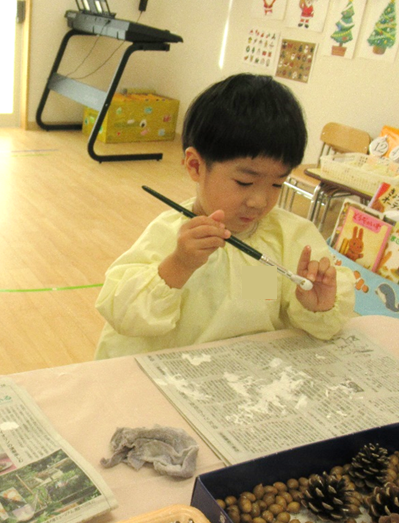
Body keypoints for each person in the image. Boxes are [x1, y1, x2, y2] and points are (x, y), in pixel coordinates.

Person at [94, 74, 354, 360]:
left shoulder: (290, 238)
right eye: (244, 182)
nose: (260, 201)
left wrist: (316, 307)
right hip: (174, 375)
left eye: (277, 184)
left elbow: (317, 324)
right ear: (195, 166)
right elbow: (122, 313)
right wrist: (178, 265)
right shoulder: (171, 235)